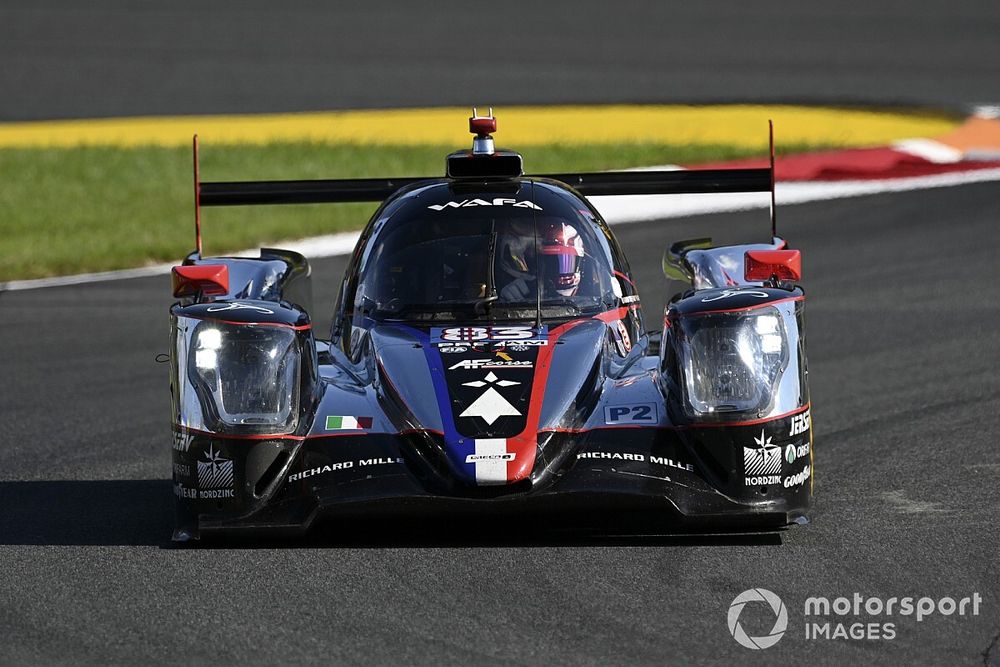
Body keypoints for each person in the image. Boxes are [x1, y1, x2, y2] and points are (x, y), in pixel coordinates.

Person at [498, 219, 585, 300]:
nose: (556, 272)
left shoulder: (587, 299)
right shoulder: (515, 292)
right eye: (551, 264)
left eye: (568, 260)